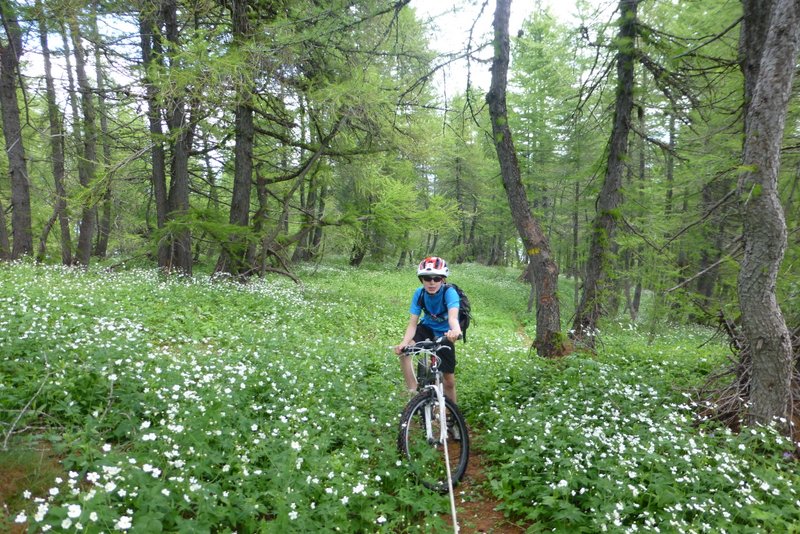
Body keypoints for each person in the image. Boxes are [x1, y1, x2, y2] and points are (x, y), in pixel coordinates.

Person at [394, 256, 462, 402]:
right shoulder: (419, 293)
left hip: (445, 333)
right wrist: (404, 343)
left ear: (443, 279)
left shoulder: (449, 293)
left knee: (449, 381)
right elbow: (413, 323)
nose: (431, 282)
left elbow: (453, 318)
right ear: (422, 280)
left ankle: (451, 415)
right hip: (426, 328)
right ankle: (414, 393)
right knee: (405, 353)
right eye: (426, 278)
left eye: (436, 278)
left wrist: (455, 331)